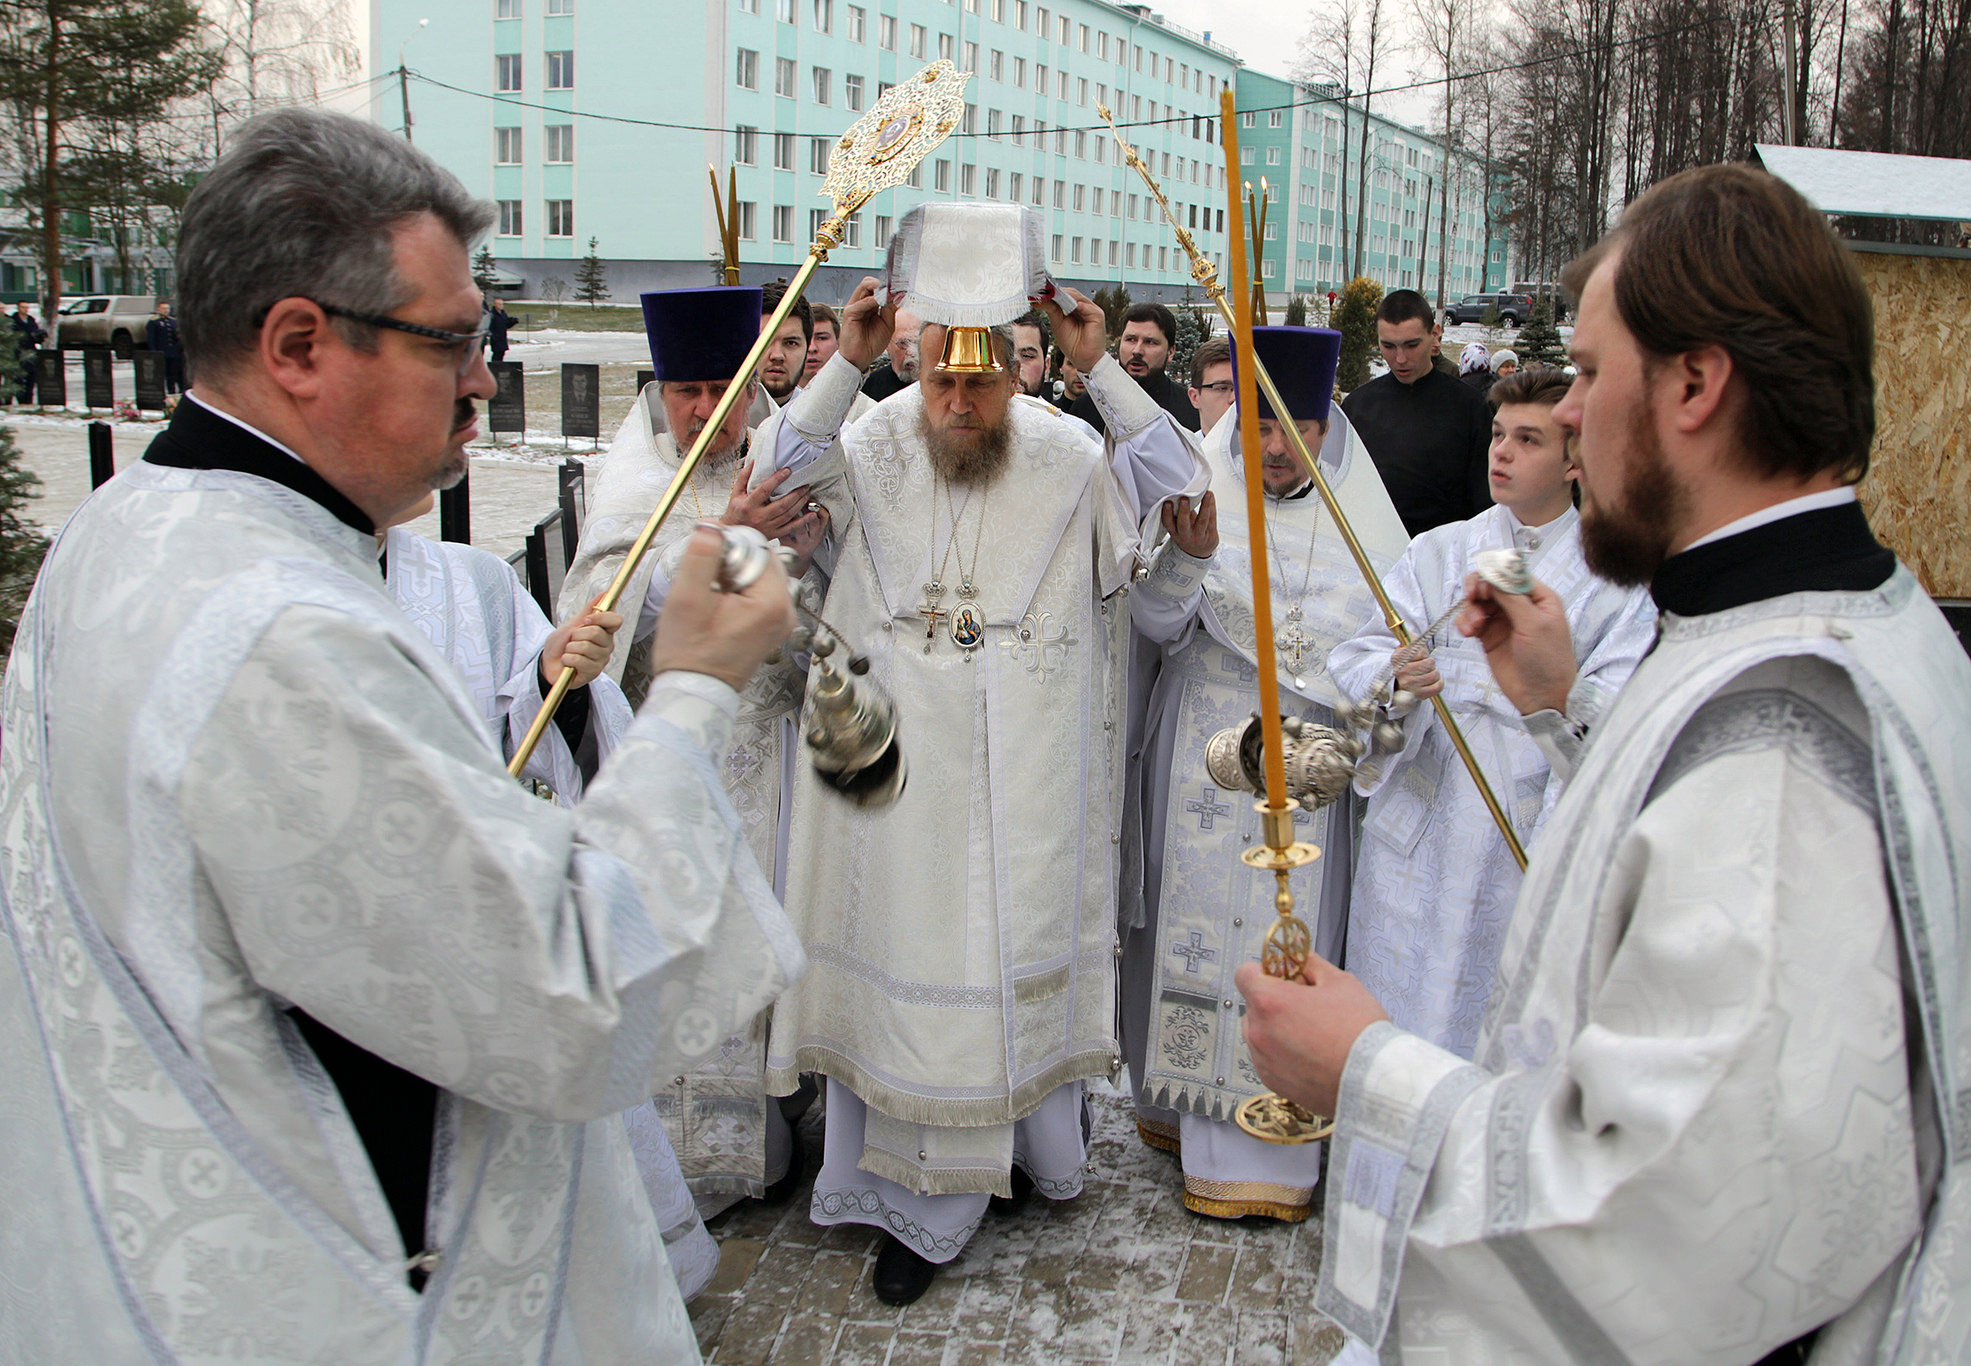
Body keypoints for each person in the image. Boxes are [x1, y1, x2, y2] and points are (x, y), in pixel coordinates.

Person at [0, 105, 805, 1362]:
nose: (485, 378)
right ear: (301, 343)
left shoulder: (127, 525)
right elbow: (569, 995)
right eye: (455, 341)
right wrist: (694, 684)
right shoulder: (277, 633)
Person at [1238, 163, 1971, 1364]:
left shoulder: (1784, 741)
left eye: (1593, 375)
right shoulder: (1824, 624)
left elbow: (1669, 1228)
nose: (1567, 416)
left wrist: (1368, 1070)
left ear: (1694, 384)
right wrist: (1554, 708)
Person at [758, 246, 1207, 1306]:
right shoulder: (870, 438)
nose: (959, 401)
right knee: (907, 959)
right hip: (892, 779)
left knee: (996, 953)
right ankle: (913, 1191)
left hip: (1019, 778)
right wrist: (843, 362)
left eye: (982, 379)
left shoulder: (1067, 451)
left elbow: (1182, 480)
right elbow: (774, 466)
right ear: (912, 366)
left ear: (1018, 372)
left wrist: (1099, 367)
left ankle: (986, 1176)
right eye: (939, 378)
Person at [378, 500, 725, 1300]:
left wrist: (554, 679)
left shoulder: (473, 583)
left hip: (496, 954)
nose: (474, 391)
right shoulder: (240, 586)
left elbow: (541, 734)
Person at [1121, 325, 1409, 1222]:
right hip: (1202, 753)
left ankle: (1277, 1156)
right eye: (1262, 427)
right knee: (1193, 932)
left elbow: (1382, 670)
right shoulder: (1200, 495)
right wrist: (1192, 559)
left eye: (1302, 428)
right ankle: (1183, 1118)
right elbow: (1155, 626)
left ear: (1331, 428)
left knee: (1291, 937)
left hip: (1309, 766)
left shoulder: (1370, 530)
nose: (1280, 449)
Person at [557, 285, 830, 1214]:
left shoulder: (789, 466)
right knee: (675, 940)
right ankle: (681, 1165)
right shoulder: (633, 483)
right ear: (661, 391)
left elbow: (818, 617)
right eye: (689, 389)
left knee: (767, 937)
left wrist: (806, 553)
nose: (707, 408)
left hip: (770, 747)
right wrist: (723, 541)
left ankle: (768, 1136)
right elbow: (601, 616)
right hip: (666, 746)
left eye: (728, 385)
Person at [1329, 365, 1655, 1060]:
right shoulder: (1440, 551)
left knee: (1488, 1037)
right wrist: (1397, 681)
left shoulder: (1618, 583)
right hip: (1422, 830)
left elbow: (1617, 727)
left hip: (1522, 834)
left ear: (1576, 461)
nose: (1501, 451)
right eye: (1499, 434)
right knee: (1398, 1026)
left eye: (1528, 440)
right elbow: (1357, 666)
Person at [1339, 289, 1493, 538]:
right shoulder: (1358, 406)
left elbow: (1485, 500)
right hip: (1376, 551)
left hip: (1448, 553)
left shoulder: (1469, 406)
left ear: (1435, 334)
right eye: (1388, 346)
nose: (1400, 359)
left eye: (1412, 345)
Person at [1064, 302, 1200, 433]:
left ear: (1170, 352)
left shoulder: (1190, 409)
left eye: (1150, 342)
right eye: (1131, 340)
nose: (1137, 350)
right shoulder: (1089, 406)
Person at [756, 278, 810, 406]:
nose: (777, 355)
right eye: (764, 342)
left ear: (807, 349)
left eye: (791, 343)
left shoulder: (832, 425)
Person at [859, 302, 921, 400]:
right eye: (903, 343)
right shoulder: (869, 388)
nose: (911, 352)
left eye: (917, 343)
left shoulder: (943, 385)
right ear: (887, 343)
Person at [1184, 336, 1234, 436]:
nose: (1234, 398)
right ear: (1195, 397)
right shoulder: (1181, 451)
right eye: (1222, 388)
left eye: (1244, 389)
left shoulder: (1271, 450)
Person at [1009, 309, 1052, 398]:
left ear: (1046, 365)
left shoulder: (1054, 412)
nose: (1015, 368)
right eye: (1005, 355)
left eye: (1027, 356)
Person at [8, 299, 44, 404]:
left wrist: (39, 336)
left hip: (31, 352)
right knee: (19, 379)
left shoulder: (31, 320)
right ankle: (21, 401)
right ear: (18, 308)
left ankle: (29, 401)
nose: (25, 309)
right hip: (18, 354)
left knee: (31, 379)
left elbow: (36, 335)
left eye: (26, 307)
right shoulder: (13, 321)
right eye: (23, 307)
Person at [146, 300, 186, 393]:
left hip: (174, 352)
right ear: (158, 309)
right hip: (162, 352)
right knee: (165, 374)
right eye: (163, 308)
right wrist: (154, 352)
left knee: (175, 373)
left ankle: (176, 390)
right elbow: (151, 338)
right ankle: (168, 391)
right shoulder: (154, 322)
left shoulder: (173, 321)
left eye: (167, 308)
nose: (166, 310)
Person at [804, 301, 840, 386]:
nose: (811, 348)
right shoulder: (768, 398)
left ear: (838, 343)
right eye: (805, 338)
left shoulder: (858, 398)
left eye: (822, 338)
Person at [485, 295, 517, 364]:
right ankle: (494, 368)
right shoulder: (492, 314)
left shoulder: (503, 313)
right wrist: (493, 336)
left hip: (502, 337)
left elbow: (506, 325)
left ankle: (500, 368)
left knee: (502, 354)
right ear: (495, 304)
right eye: (499, 304)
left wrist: (513, 322)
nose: (501, 305)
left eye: (501, 304)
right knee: (496, 355)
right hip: (496, 338)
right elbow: (489, 327)